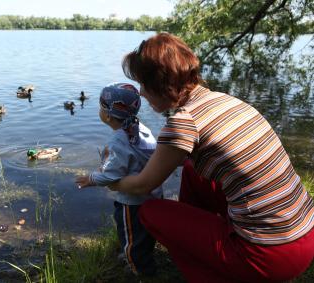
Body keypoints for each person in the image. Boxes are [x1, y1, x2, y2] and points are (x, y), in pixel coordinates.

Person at [109, 33, 314, 283]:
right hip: (305, 235)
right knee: (193, 172)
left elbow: (143, 184)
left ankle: (209, 273)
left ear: (159, 83)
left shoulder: (184, 123)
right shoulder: (226, 100)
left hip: (266, 255)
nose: (140, 93)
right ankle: (204, 246)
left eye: (142, 84)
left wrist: (111, 182)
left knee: (150, 211)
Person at [75, 83, 163, 276]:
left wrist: (91, 179)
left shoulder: (118, 141)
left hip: (131, 203)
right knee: (144, 234)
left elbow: (110, 175)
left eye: (101, 107)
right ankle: (139, 256)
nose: (99, 111)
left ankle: (139, 270)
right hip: (152, 195)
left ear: (107, 115)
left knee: (130, 234)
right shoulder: (141, 129)